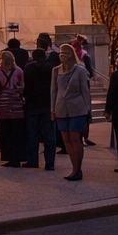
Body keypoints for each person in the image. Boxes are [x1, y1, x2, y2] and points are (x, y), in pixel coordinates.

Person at [52, 44, 90, 181]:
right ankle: (74, 168)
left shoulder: (80, 70)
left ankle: (77, 169)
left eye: (63, 55)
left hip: (77, 108)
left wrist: (87, 109)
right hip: (61, 108)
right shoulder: (56, 70)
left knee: (75, 138)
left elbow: (85, 90)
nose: (61, 57)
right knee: (66, 140)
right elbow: (54, 91)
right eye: (60, 54)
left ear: (69, 56)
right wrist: (52, 109)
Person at [0, 52, 27, 167]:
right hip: (17, 105)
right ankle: (18, 158)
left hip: (3, 106)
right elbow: (22, 87)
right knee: (17, 133)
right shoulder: (19, 71)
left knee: (5, 133)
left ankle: (9, 158)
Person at [23, 47, 57, 172]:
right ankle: (50, 163)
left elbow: (26, 86)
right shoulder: (51, 68)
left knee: (32, 133)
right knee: (49, 134)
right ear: (45, 56)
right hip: (48, 104)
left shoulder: (28, 68)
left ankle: (33, 160)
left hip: (32, 104)